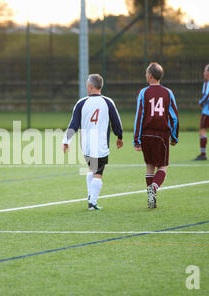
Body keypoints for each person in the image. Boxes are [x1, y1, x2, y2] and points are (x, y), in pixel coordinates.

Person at [63, 74, 123, 211]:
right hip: (100, 143)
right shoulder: (108, 102)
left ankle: (90, 197)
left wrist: (66, 140)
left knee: (92, 168)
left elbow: (73, 124)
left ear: (90, 87)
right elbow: (116, 121)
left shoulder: (81, 103)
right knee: (98, 173)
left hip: (86, 144)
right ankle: (93, 202)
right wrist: (119, 136)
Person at [133, 63, 179, 209]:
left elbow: (139, 117)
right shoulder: (168, 92)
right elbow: (174, 117)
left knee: (149, 166)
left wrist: (137, 139)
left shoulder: (143, 92)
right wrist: (174, 136)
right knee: (163, 166)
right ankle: (154, 187)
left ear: (151, 76)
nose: (145, 75)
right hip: (161, 135)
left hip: (146, 134)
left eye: (146, 73)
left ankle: (151, 197)